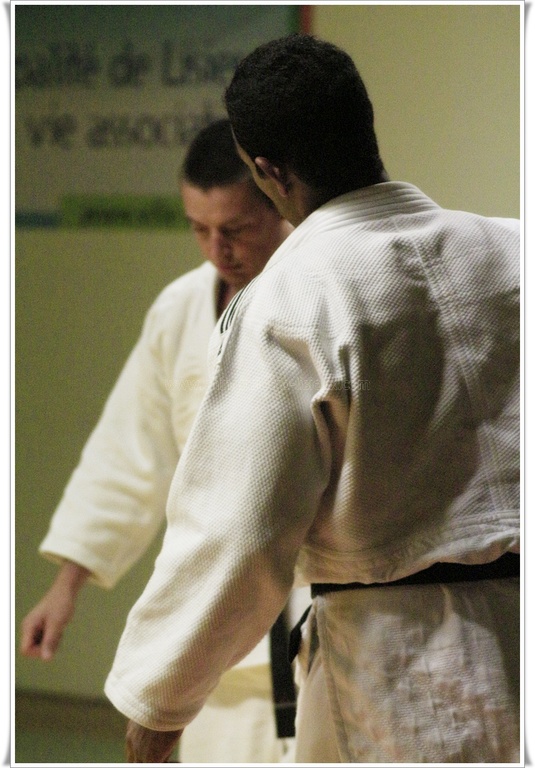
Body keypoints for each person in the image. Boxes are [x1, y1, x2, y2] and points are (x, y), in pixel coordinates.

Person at [104, 34, 520, 763]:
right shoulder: (513, 248)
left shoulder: (293, 298)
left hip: (405, 671)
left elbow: (241, 529)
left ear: (266, 170)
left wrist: (159, 705)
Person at [19, 119, 302, 763]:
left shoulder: (323, 293)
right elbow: (130, 450)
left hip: (311, 614)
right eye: (198, 229)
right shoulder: (178, 310)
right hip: (209, 626)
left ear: (277, 205)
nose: (216, 249)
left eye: (235, 229)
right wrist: (67, 584)